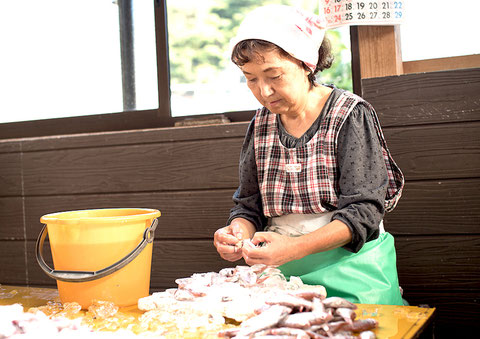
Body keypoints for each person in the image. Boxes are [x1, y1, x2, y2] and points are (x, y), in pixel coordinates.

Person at [213, 4, 405, 305]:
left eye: (273, 75)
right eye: (250, 79)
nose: (263, 92)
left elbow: (364, 211)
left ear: (306, 65)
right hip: (280, 274)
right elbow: (249, 205)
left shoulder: (350, 115)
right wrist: (237, 233)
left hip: (353, 270)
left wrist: (295, 248)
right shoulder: (260, 124)